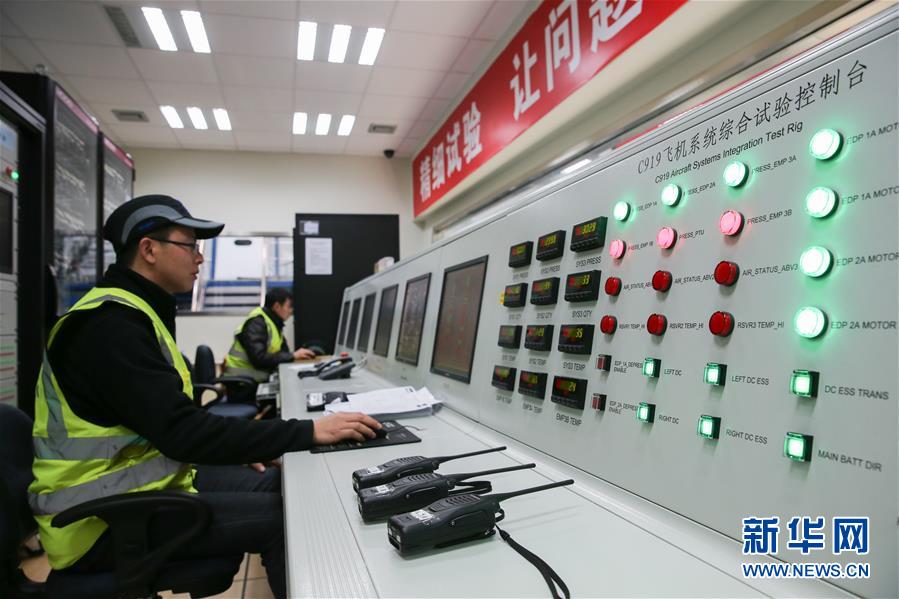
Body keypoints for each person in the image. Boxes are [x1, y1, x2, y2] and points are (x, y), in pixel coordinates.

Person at [28, 194, 380, 599]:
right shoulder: (109, 325)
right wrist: (307, 431)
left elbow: (166, 425)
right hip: (99, 521)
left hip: (144, 488)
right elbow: (182, 431)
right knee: (290, 516)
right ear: (149, 250)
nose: (199, 258)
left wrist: (241, 446)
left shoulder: (135, 313)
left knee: (276, 485)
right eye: (190, 245)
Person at [223, 287, 315, 386]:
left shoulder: (273, 323)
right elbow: (259, 359)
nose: (291, 311)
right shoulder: (257, 323)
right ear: (277, 306)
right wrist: (293, 355)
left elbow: (283, 353)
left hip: (254, 381)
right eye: (289, 306)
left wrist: (295, 356)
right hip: (242, 385)